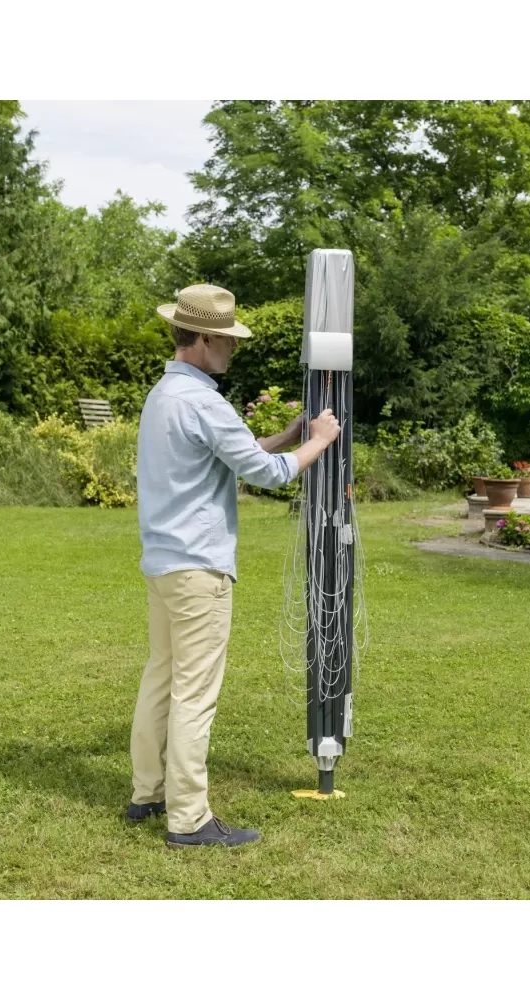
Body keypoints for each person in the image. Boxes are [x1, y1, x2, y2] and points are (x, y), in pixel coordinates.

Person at [127, 284, 341, 848]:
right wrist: (319, 441)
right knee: (194, 692)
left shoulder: (164, 395)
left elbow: (234, 456)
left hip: (164, 564)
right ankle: (189, 819)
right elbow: (269, 474)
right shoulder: (203, 401)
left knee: (161, 677)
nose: (233, 349)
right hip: (199, 568)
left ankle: (147, 792)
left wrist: (289, 436)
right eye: (227, 340)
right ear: (202, 339)